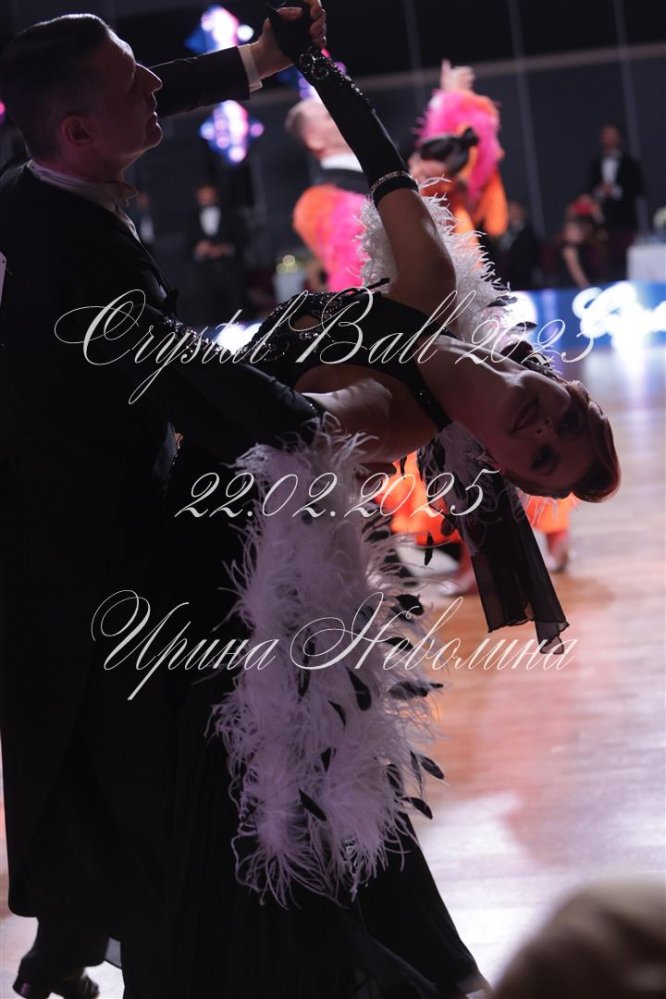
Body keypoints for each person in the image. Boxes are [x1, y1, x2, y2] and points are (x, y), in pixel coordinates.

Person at [164, 10, 620, 998]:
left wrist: (150, 352)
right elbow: (382, 162)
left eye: (538, 457)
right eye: (561, 422)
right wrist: (313, 58)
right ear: (561, 388)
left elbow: (278, 425)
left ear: (503, 467)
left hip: (202, 536)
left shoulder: (391, 415)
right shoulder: (430, 286)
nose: (539, 428)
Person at [0, 6, 327, 998]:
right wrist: (309, 424)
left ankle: (63, 946)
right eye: (132, 79)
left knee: (65, 738)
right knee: (146, 760)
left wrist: (259, 59)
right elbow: (178, 370)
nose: (156, 84)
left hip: (43, 524)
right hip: (86, 542)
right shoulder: (81, 252)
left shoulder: (32, 185)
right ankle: (163, 964)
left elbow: (143, 88)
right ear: (78, 132)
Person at [285, 96, 367, 290]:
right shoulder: (318, 201)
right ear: (315, 140)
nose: (342, 114)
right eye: (329, 116)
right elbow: (354, 270)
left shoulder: (394, 162)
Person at [586, 121, 645, 280]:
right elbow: (589, 189)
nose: (608, 138)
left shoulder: (629, 164)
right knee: (603, 263)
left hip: (625, 221)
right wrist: (600, 190)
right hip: (601, 223)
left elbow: (639, 189)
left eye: (612, 135)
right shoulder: (595, 164)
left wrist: (615, 190)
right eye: (605, 135)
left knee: (627, 262)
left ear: (620, 138)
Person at [184, 181, 246, 326]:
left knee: (237, 309)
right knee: (208, 312)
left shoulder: (231, 213)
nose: (207, 200)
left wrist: (226, 248)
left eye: (210, 196)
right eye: (203, 197)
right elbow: (186, 247)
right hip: (205, 274)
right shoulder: (192, 218)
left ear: (216, 195)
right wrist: (199, 249)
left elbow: (243, 240)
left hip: (231, 271)